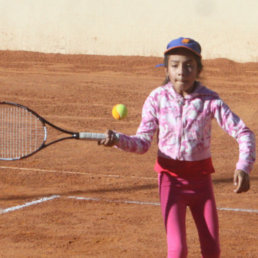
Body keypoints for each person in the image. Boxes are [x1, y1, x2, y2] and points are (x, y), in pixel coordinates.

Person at [98, 37, 256, 258]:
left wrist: (243, 166)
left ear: (198, 69)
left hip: (202, 182)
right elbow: (143, 143)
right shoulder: (156, 99)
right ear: (166, 69)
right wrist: (118, 140)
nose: (182, 71)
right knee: (177, 251)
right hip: (170, 183)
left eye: (189, 65)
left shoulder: (210, 101)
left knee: (212, 251)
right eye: (175, 65)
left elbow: (244, 132)